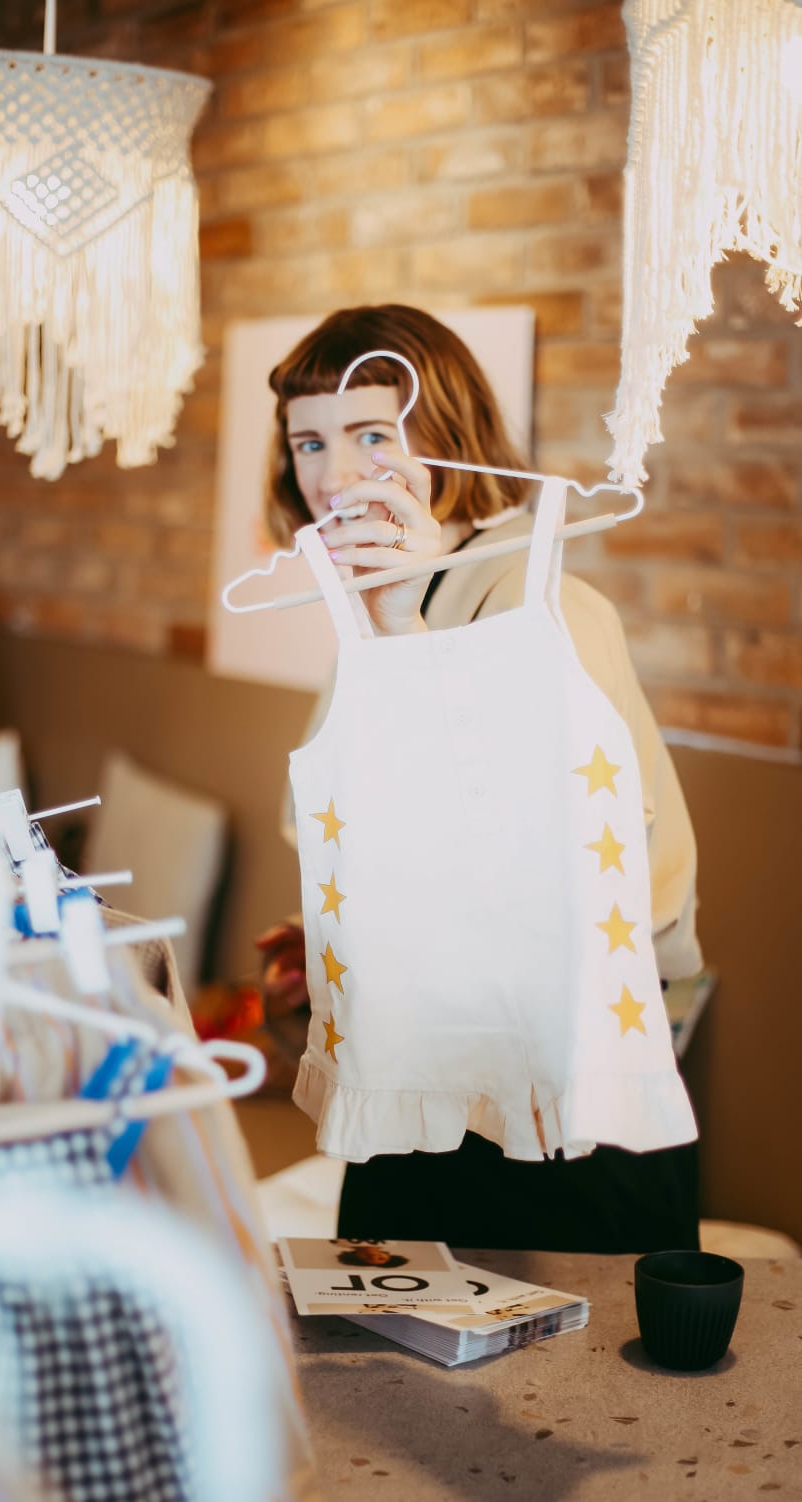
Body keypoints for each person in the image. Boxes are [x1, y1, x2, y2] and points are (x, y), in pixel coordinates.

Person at [254, 304, 702, 1255]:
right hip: (416, 1092)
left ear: (450, 433)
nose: (334, 476)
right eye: (309, 443)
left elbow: (552, 870)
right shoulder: (379, 606)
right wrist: (333, 940)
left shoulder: (545, 607)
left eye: (373, 435)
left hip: (558, 1105)